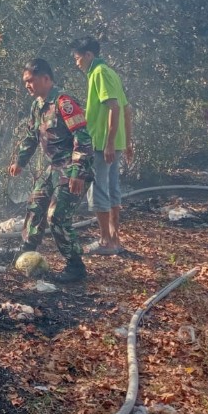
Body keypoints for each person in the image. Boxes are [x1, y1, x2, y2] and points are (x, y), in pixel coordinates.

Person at [8, 58, 94, 283]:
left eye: (30, 80)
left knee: (57, 217)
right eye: (25, 81)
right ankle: (26, 253)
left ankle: (75, 266)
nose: (27, 85)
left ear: (46, 79)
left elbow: (83, 138)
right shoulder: (37, 105)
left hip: (72, 167)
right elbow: (31, 136)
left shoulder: (64, 103)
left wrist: (78, 172)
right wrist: (20, 162)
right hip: (53, 167)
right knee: (35, 205)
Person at [70, 36, 133, 255]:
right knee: (113, 188)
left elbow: (114, 108)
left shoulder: (99, 73)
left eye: (78, 58)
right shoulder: (110, 72)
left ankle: (106, 241)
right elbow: (127, 109)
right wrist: (127, 142)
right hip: (114, 142)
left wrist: (108, 143)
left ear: (88, 55)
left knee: (99, 190)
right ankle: (114, 239)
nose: (77, 63)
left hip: (102, 144)